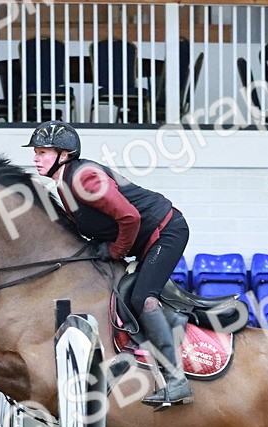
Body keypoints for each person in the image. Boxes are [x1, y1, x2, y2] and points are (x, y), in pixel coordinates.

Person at [25, 120, 193, 409]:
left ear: (64, 154)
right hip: (147, 240)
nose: (35, 158)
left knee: (143, 298)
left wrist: (116, 251)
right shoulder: (63, 183)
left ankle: (177, 380)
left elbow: (130, 217)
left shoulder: (84, 178)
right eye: (36, 152)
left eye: (43, 152)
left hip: (167, 231)